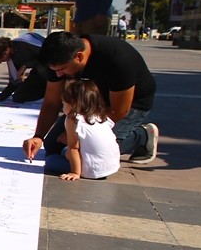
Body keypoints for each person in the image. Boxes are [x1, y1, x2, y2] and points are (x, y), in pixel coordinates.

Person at [22, 31, 158, 166]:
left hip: (131, 104)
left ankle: (143, 135)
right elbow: (52, 102)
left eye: (62, 70)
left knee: (95, 151)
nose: (58, 75)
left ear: (79, 57)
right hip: (91, 103)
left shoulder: (117, 59)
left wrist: (79, 136)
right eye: (55, 70)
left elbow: (120, 110)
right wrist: (38, 136)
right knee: (53, 146)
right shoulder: (58, 60)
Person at [44, 78, 120, 181]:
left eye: (64, 104)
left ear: (74, 104)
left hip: (92, 170)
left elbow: (73, 148)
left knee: (51, 161)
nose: (63, 108)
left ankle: (78, 169)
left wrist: (75, 172)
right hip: (111, 166)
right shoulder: (99, 115)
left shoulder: (73, 119)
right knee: (65, 151)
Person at [0, 33, 49, 103]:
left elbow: (48, 56)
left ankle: (55, 92)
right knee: (18, 97)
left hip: (53, 69)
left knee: (43, 68)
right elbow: (14, 81)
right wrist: (0, 97)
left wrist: (26, 65)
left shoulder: (24, 44)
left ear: (7, 50)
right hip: (38, 75)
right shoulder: (10, 59)